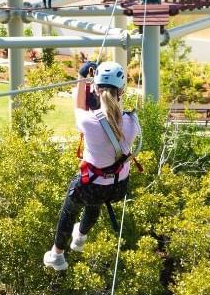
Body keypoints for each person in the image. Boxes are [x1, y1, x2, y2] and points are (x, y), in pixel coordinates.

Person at [43, 61, 141, 271]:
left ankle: (57, 256)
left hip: (91, 186)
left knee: (70, 211)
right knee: (95, 203)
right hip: (117, 188)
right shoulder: (133, 123)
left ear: (96, 89)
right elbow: (116, 119)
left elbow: (78, 105)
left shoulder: (88, 122)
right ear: (121, 91)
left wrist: (81, 78)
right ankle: (80, 238)